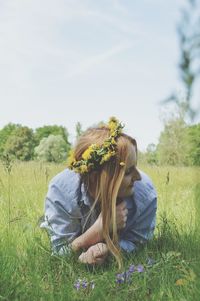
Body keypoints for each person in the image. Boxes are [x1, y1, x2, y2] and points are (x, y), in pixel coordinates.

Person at [40, 117, 157, 268]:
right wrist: (97, 232)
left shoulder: (145, 193)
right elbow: (60, 251)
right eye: (128, 171)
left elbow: (139, 243)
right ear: (99, 178)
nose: (138, 177)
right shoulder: (61, 192)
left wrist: (108, 250)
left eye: (135, 167)